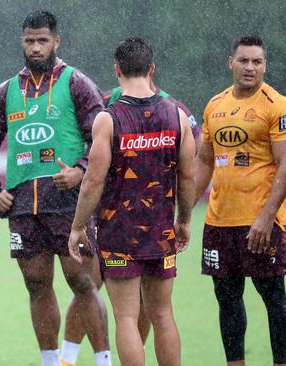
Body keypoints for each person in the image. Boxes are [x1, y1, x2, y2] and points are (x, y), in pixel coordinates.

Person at [0, 10, 111, 366]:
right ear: (22, 42)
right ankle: (51, 362)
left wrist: (81, 170)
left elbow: (104, 137)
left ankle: (103, 360)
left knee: (81, 282)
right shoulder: (6, 91)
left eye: (42, 40)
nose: (36, 48)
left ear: (56, 42)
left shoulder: (76, 83)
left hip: (68, 203)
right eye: (30, 41)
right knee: (36, 284)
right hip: (23, 208)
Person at [68, 36, 196, 366]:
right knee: (163, 314)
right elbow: (188, 177)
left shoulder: (108, 119)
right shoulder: (177, 116)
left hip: (120, 234)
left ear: (117, 70)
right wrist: (184, 221)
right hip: (161, 233)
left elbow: (93, 180)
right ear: (152, 69)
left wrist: (78, 227)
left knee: (126, 318)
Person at [195, 35, 286, 366]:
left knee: (273, 296)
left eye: (257, 62)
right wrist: (183, 212)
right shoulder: (214, 105)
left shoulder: (276, 105)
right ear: (230, 62)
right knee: (228, 300)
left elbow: (285, 163)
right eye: (244, 60)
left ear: (265, 65)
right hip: (219, 221)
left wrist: (267, 215)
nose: (250, 67)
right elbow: (204, 161)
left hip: (261, 221)